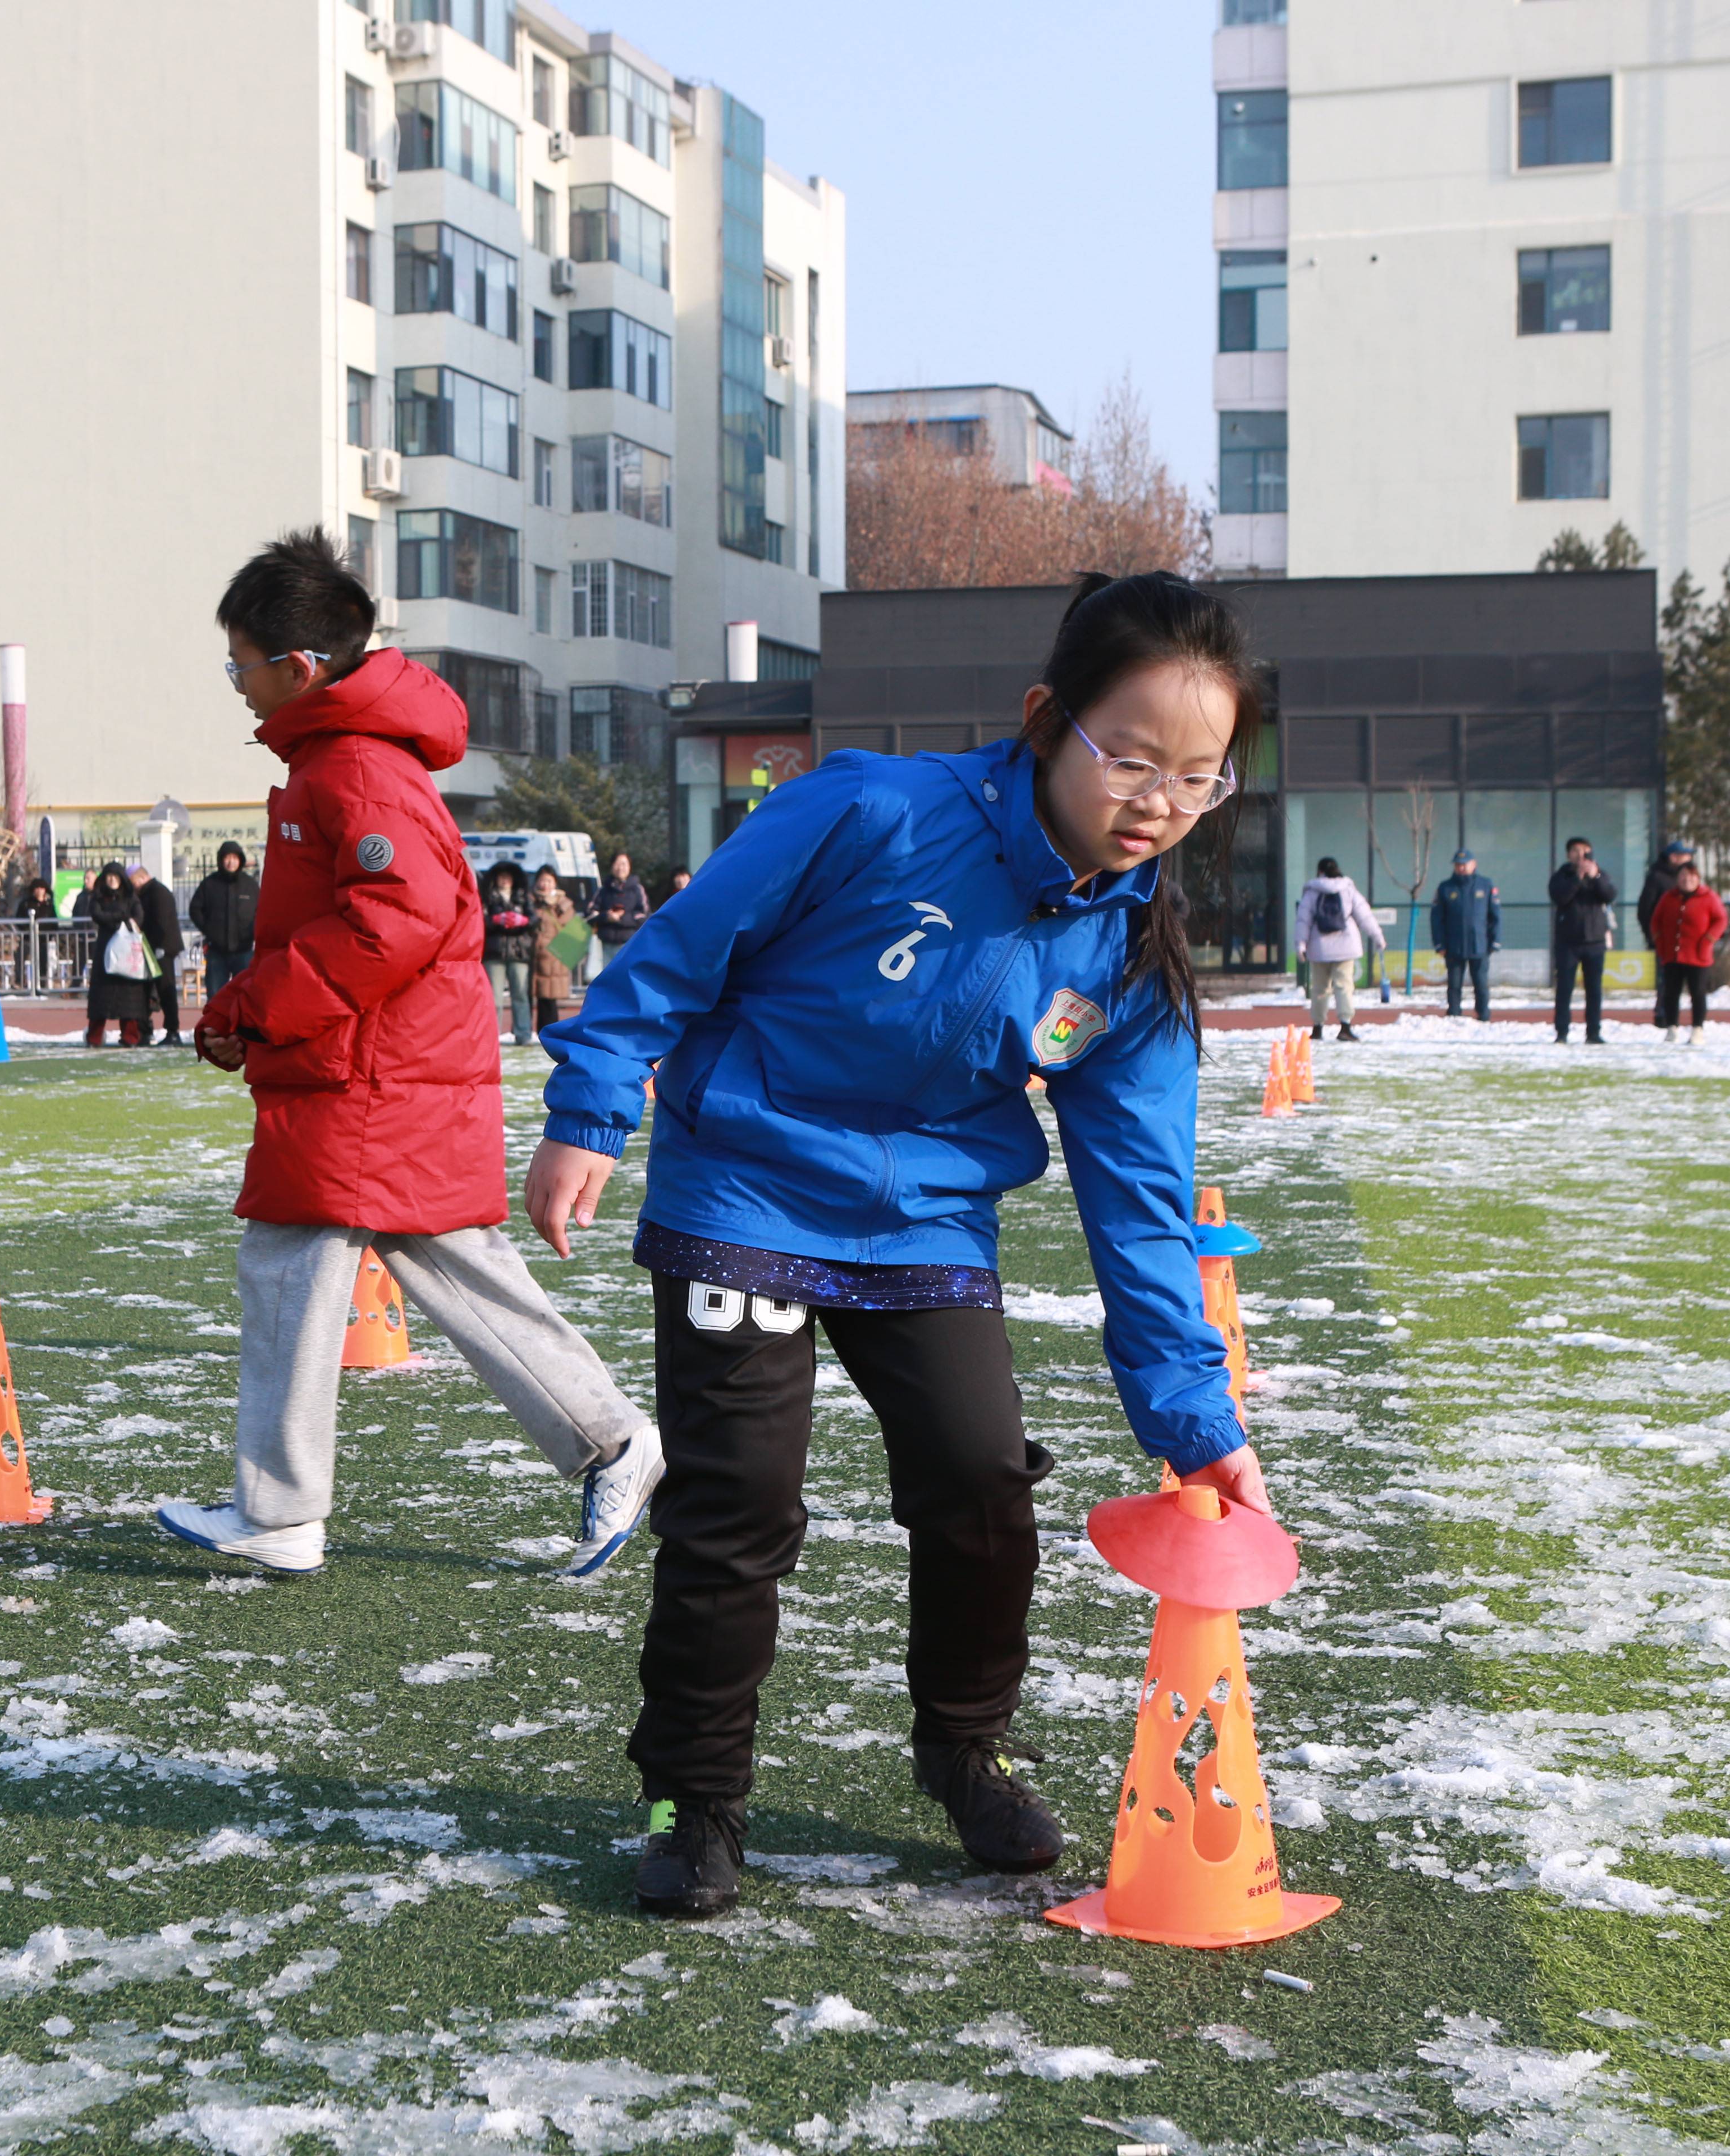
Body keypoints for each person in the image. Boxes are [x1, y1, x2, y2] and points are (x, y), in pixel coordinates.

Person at [525, 570, 1273, 1917]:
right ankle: (690, 1798)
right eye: (1132, 760)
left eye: (1197, 778)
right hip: (744, 1185)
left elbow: (1140, 1198)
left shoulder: (1122, 964)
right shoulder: (869, 809)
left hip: (925, 1218)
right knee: (737, 1500)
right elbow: (679, 953)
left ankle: (961, 1745)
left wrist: (1186, 1409)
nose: (1157, 802)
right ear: (1046, 721)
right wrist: (590, 1106)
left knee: (979, 1474)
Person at [167, 527, 660, 1583]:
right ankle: (609, 1441)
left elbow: (402, 917)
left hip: (370, 1074)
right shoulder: (348, 760)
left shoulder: (352, 767)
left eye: (240, 665)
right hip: (381, 1067)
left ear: (298, 669)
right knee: (431, 1265)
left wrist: (256, 1004)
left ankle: (286, 1509)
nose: (237, 686)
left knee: (307, 1262)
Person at [1292, 854, 1381, 1042]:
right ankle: (1345, 1027)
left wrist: (1301, 945)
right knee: (1344, 987)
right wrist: (1378, 937)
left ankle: (1317, 1029)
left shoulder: (1312, 891)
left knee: (1320, 989)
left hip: (1319, 948)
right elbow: (1365, 916)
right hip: (1346, 946)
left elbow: (1303, 921)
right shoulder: (1348, 889)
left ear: (1320, 872)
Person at [1649, 860, 1727, 1044]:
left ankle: (1697, 1030)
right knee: (1671, 992)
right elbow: (1656, 921)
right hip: (1672, 954)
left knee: (1698, 992)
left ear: (1698, 878)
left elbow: (1721, 919)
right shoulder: (1669, 897)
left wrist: (1708, 940)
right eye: (1683, 876)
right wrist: (1660, 941)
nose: (1686, 880)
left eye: (1691, 876)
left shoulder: (1709, 897)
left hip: (1698, 955)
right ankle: (1672, 1028)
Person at [1549, 837, 1617, 1044]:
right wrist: (1577, 879)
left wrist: (1595, 877)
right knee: (1565, 989)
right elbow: (1560, 897)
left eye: (1585, 851)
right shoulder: (1562, 876)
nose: (1581, 855)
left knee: (1594, 989)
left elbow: (1609, 895)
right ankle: (1562, 1032)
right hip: (1568, 942)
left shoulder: (1599, 874)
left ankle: (1593, 1032)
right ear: (1569, 854)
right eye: (1576, 851)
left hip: (1595, 941)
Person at [82, 863, 152, 1046]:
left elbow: (139, 917)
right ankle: (95, 1037)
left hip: (127, 951)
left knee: (129, 998)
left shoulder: (131, 897)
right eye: (109, 877)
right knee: (100, 999)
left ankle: (130, 1037)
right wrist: (121, 918)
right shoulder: (98, 897)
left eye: (116, 877)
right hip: (105, 950)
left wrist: (119, 920)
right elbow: (98, 915)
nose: (112, 880)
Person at [1429, 848, 1500, 1021]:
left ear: (1473, 864)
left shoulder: (1486, 885)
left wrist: (1495, 941)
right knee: (1454, 984)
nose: (1461, 868)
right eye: (1458, 865)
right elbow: (1437, 919)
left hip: (1479, 944)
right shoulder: (1446, 888)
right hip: (1454, 945)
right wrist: (1440, 944)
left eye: (1465, 864)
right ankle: (1454, 1014)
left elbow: (1495, 916)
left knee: (1481, 984)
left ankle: (1483, 1015)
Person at [190, 841, 261, 1000]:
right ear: (221, 860)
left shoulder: (250, 885)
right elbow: (195, 909)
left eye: (235, 858)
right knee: (216, 996)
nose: (231, 862)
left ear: (241, 860)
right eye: (227, 858)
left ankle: (242, 1025)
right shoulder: (210, 884)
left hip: (244, 951)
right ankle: (217, 1025)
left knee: (245, 995)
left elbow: (261, 912)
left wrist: (253, 932)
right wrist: (208, 929)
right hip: (217, 952)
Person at [480, 861, 538, 1044]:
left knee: (520, 995)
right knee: (494, 998)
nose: (505, 881)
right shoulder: (488, 898)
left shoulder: (523, 898)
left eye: (508, 877)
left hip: (519, 952)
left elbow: (535, 919)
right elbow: (480, 920)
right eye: (501, 877)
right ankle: (492, 1035)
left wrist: (524, 921)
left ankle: (523, 1034)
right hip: (494, 953)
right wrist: (495, 920)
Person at [132, 864, 187, 1045]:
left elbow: (162, 924)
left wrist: (160, 947)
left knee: (166, 990)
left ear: (141, 878)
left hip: (162, 950)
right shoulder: (151, 892)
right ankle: (147, 1030)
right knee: (149, 991)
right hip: (154, 949)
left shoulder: (158, 893)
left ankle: (173, 1031)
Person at [529, 864, 579, 1036]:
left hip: (554, 957)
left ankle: (548, 1032)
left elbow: (569, 930)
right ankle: (526, 1032)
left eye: (549, 881)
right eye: (542, 880)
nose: (545, 884)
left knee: (548, 999)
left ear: (555, 883)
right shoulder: (530, 901)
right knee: (530, 996)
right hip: (533, 955)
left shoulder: (563, 904)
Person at [588, 850, 651, 977]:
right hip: (605, 946)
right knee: (607, 980)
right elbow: (590, 914)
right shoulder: (603, 890)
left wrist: (622, 919)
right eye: (617, 864)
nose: (621, 868)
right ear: (612, 867)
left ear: (629, 867)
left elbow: (644, 915)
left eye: (624, 864)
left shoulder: (637, 889)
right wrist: (607, 917)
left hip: (629, 944)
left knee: (626, 980)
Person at [1635, 838, 1692, 940]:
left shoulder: (1685, 879)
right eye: (1685, 856)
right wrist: (1654, 937)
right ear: (1673, 857)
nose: (1689, 859)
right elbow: (1645, 910)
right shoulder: (1657, 878)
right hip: (1664, 940)